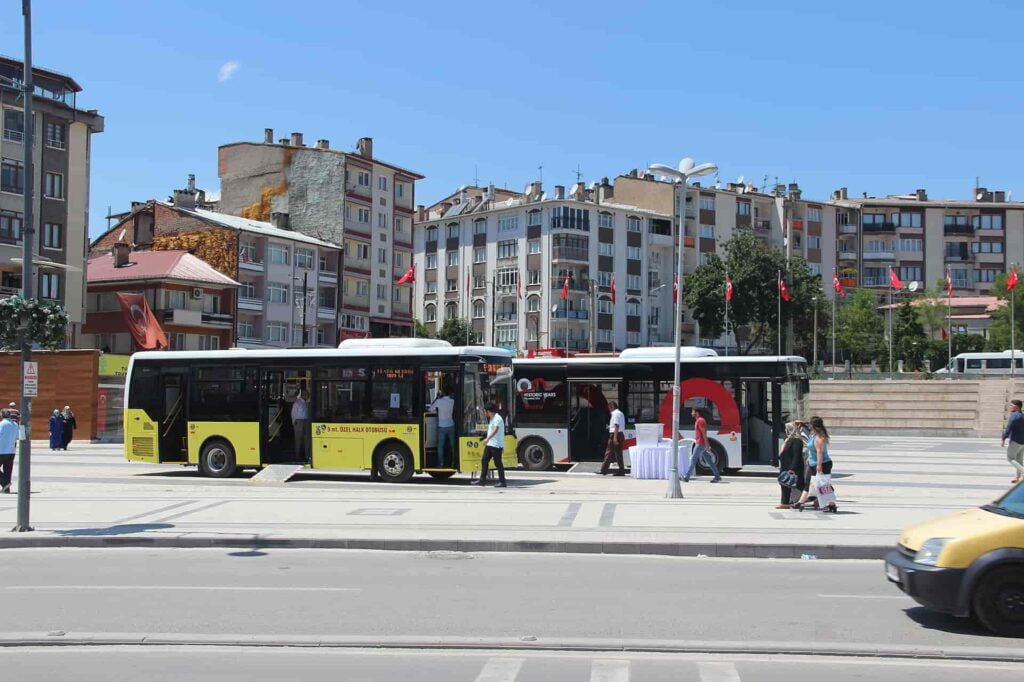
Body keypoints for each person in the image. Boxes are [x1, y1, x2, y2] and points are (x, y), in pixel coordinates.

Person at [794, 416, 835, 512]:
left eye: (810, 424)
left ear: (813, 426)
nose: (809, 426)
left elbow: (819, 452)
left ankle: (831, 504)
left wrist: (819, 465)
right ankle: (801, 502)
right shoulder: (814, 434)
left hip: (822, 464)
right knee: (813, 484)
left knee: (823, 486)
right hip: (813, 464)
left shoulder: (819, 437)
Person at [684, 407, 721, 483]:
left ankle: (686, 477)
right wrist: (706, 445)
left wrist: (707, 445)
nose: (691, 413)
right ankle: (717, 476)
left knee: (693, 459)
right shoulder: (699, 420)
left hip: (700, 444)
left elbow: (704, 434)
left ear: (697, 413)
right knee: (709, 461)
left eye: (693, 411)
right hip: (701, 443)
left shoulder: (700, 421)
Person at [775, 422, 807, 509]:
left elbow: (797, 456)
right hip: (785, 466)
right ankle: (785, 503)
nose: (786, 431)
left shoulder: (798, 441)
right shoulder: (788, 440)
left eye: (787, 429)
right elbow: (781, 455)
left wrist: (792, 468)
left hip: (794, 467)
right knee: (784, 484)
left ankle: (813, 498)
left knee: (801, 485)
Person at [475, 402, 507, 488]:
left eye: (485, 411)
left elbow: (495, 430)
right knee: (484, 460)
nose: (485, 413)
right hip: (490, 444)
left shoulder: (497, 418)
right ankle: (482, 480)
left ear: (489, 411)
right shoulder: (492, 418)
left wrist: (487, 439)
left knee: (498, 463)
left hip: (496, 445)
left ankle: (502, 482)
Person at [429, 386, 456, 468]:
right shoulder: (452, 401)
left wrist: (437, 397)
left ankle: (441, 463)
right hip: (451, 425)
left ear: (443, 393)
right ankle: (454, 462)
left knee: (440, 446)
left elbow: (430, 409)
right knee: (453, 445)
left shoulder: (439, 401)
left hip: (441, 426)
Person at [599, 401, 627, 476]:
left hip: (615, 435)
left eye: (609, 408)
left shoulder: (615, 414)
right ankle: (621, 471)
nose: (609, 410)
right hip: (620, 434)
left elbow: (617, 426)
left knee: (608, 452)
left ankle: (603, 470)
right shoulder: (620, 413)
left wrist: (614, 438)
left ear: (611, 407)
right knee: (618, 454)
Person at [1002, 399, 1024, 484]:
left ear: (1016, 406)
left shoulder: (1014, 416)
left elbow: (1009, 428)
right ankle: (1018, 478)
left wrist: (1003, 438)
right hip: (1023, 442)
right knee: (1019, 460)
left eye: (1011, 405)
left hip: (1016, 441)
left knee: (1010, 458)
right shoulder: (1022, 415)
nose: (1010, 407)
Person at [0, 409, 17, 494]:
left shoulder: (2, 424)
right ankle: (6, 489)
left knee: (7, 469)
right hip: (11, 451)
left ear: (2, 415)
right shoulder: (15, 424)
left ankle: (5, 483)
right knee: (8, 470)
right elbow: (19, 436)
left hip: (1, 450)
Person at [291, 388, 310, 460]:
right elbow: (293, 413)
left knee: (306, 439)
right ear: (303, 395)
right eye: (307, 394)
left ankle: (306, 456)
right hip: (298, 422)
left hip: (305, 421)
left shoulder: (306, 403)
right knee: (298, 439)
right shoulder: (297, 403)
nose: (308, 396)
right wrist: (294, 422)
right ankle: (297, 456)